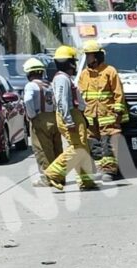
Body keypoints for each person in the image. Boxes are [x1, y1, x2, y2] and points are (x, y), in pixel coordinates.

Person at [44, 45, 98, 191]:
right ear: (68, 63)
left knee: (83, 149)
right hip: (70, 116)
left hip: (76, 115)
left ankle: (86, 181)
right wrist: (69, 121)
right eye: (73, 61)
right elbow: (62, 102)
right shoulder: (62, 79)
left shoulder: (66, 78)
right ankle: (53, 173)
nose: (75, 65)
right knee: (77, 148)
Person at [79, 40, 127, 182]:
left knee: (108, 145)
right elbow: (81, 96)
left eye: (89, 55)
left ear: (97, 56)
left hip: (108, 116)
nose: (87, 58)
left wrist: (117, 113)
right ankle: (100, 168)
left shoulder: (109, 71)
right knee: (94, 145)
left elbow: (119, 94)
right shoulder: (84, 75)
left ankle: (110, 171)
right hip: (90, 118)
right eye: (86, 55)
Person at [22, 57, 62, 187]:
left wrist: (32, 115)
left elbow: (28, 100)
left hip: (40, 119)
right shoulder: (49, 85)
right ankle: (59, 176)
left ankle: (47, 178)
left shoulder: (31, 86)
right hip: (54, 118)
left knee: (43, 150)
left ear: (29, 73)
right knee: (57, 148)